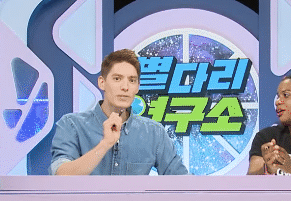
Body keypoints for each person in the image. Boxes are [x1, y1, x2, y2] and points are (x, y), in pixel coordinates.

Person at [50, 49, 188, 175]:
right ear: (102, 82)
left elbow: (182, 182)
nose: (125, 87)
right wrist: (105, 144)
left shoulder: (154, 132)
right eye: (117, 79)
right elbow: (61, 175)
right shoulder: (72, 125)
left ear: (137, 87)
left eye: (132, 80)